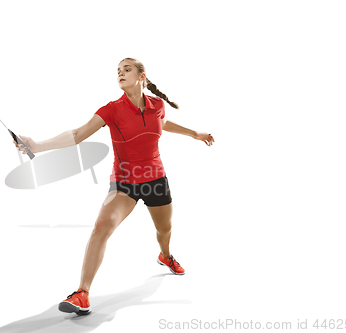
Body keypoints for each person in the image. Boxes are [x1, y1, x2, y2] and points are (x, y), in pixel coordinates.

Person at [14, 58, 214, 315]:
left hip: (156, 181)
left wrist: (195, 133)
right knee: (101, 227)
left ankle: (165, 255)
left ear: (142, 76)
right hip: (124, 184)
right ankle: (82, 293)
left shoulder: (157, 105)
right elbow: (78, 134)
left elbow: (162, 123)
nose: (120, 73)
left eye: (127, 69)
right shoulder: (111, 110)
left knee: (164, 230)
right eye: (118, 71)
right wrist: (38, 146)